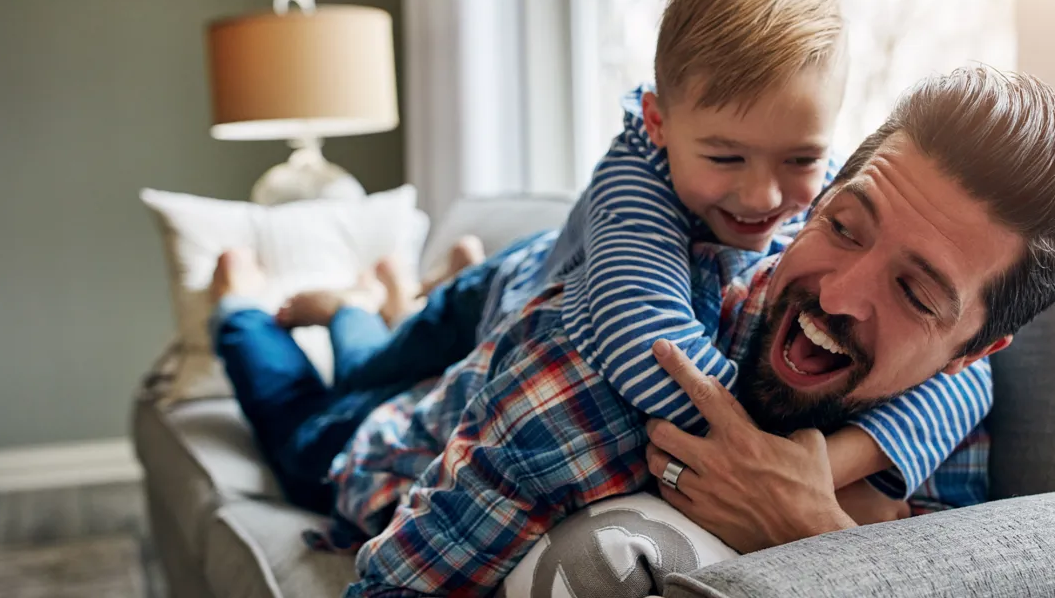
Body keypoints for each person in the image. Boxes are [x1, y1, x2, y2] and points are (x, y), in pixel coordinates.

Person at [341, 63, 1055, 597]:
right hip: (391, 434)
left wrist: (813, 530)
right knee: (333, 374)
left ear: (975, 351)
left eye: (913, 292)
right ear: (817, 202)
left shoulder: (956, 447)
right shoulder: (592, 378)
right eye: (842, 226)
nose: (838, 294)